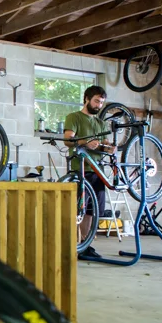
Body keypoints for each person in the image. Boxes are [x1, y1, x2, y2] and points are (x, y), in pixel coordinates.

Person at [64, 85, 115, 259]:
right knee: (76, 211)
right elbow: (68, 140)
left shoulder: (101, 123)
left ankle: (85, 245)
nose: (99, 105)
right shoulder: (74, 117)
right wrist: (85, 142)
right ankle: (73, 245)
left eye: (101, 102)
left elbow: (104, 144)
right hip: (80, 171)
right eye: (96, 101)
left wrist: (109, 148)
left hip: (98, 171)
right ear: (86, 99)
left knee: (92, 211)